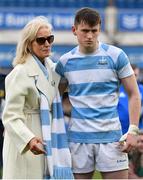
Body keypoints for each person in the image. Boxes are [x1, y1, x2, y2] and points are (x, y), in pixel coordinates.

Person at [55, 7, 141, 179]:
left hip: (112, 139)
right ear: (74, 30)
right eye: (85, 31)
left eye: (94, 31)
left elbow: (134, 94)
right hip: (78, 139)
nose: (89, 36)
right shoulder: (65, 62)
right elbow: (54, 99)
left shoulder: (117, 56)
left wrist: (132, 131)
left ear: (99, 29)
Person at [2, 16, 73, 179]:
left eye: (50, 39)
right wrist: (29, 140)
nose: (47, 44)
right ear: (29, 43)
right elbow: (10, 116)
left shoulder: (52, 70)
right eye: (41, 40)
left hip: (47, 139)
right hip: (26, 143)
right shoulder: (20, 73)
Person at [118, 64, 143, 134]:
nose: (133, 78)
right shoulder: (117, 90)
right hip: (120, 132)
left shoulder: (142, 90)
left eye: (136, 75)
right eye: (131, 76)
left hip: (138, 133)